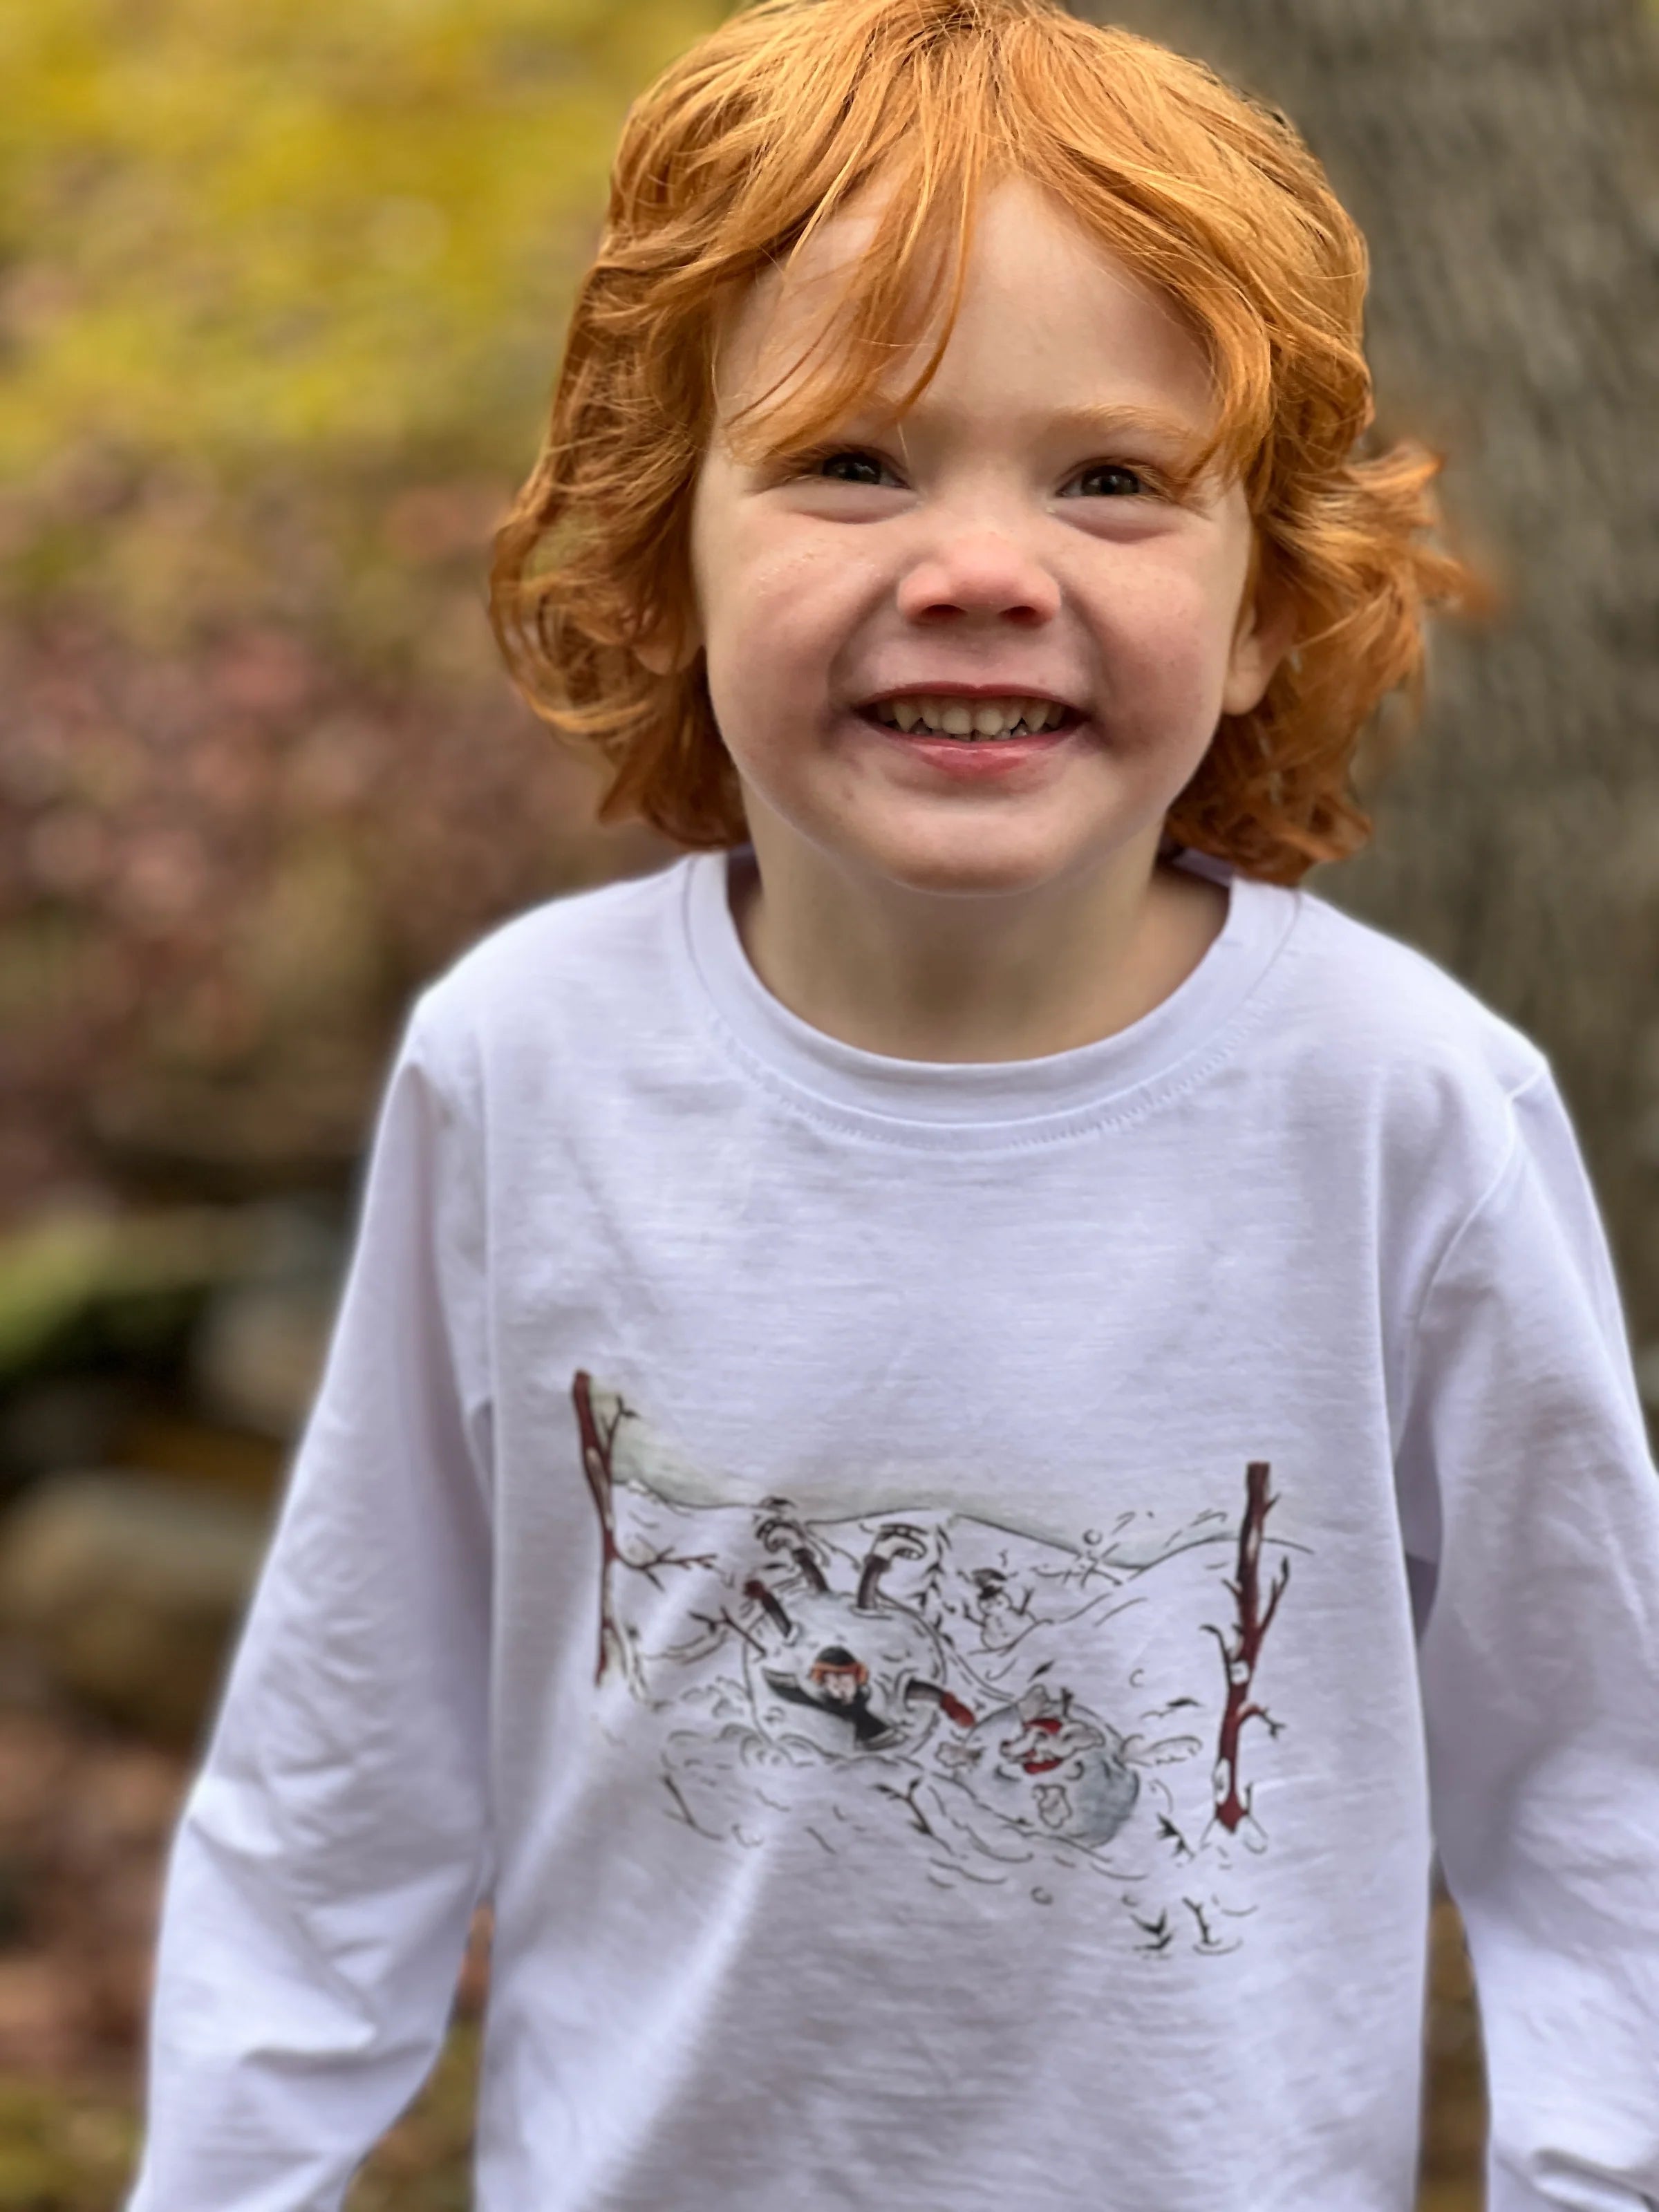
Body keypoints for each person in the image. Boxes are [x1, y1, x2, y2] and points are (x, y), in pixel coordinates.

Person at [128, 1, 1659, 2206]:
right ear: (664, 548)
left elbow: (1599, 1799)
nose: (982, 568)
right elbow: (337, 1776)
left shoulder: (1403, 1110)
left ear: (1261, 602)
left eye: (1112, 478)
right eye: (854, 459)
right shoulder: (525, 1068)